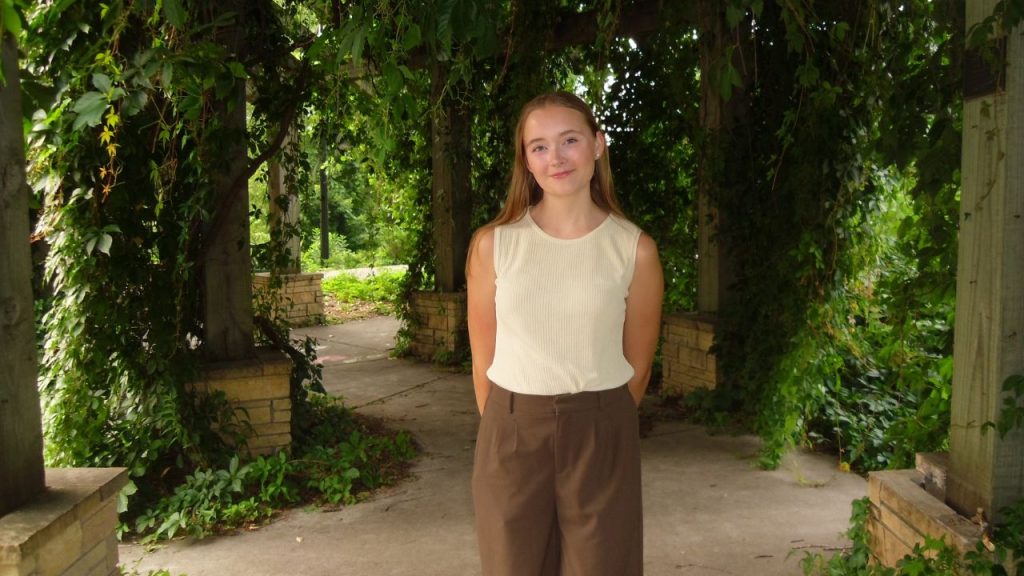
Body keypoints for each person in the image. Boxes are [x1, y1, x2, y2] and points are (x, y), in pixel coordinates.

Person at [466, 90, 664, 576]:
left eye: (569, 140)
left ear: (597, 145)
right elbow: (483, 359)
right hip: (511, 431)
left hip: (601, 430)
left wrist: (596, 418)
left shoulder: (634, 250)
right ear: (526, 161)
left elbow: (637, 367)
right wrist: (510, 422)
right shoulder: (494, 246)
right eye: (538, 146)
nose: (555, 157)